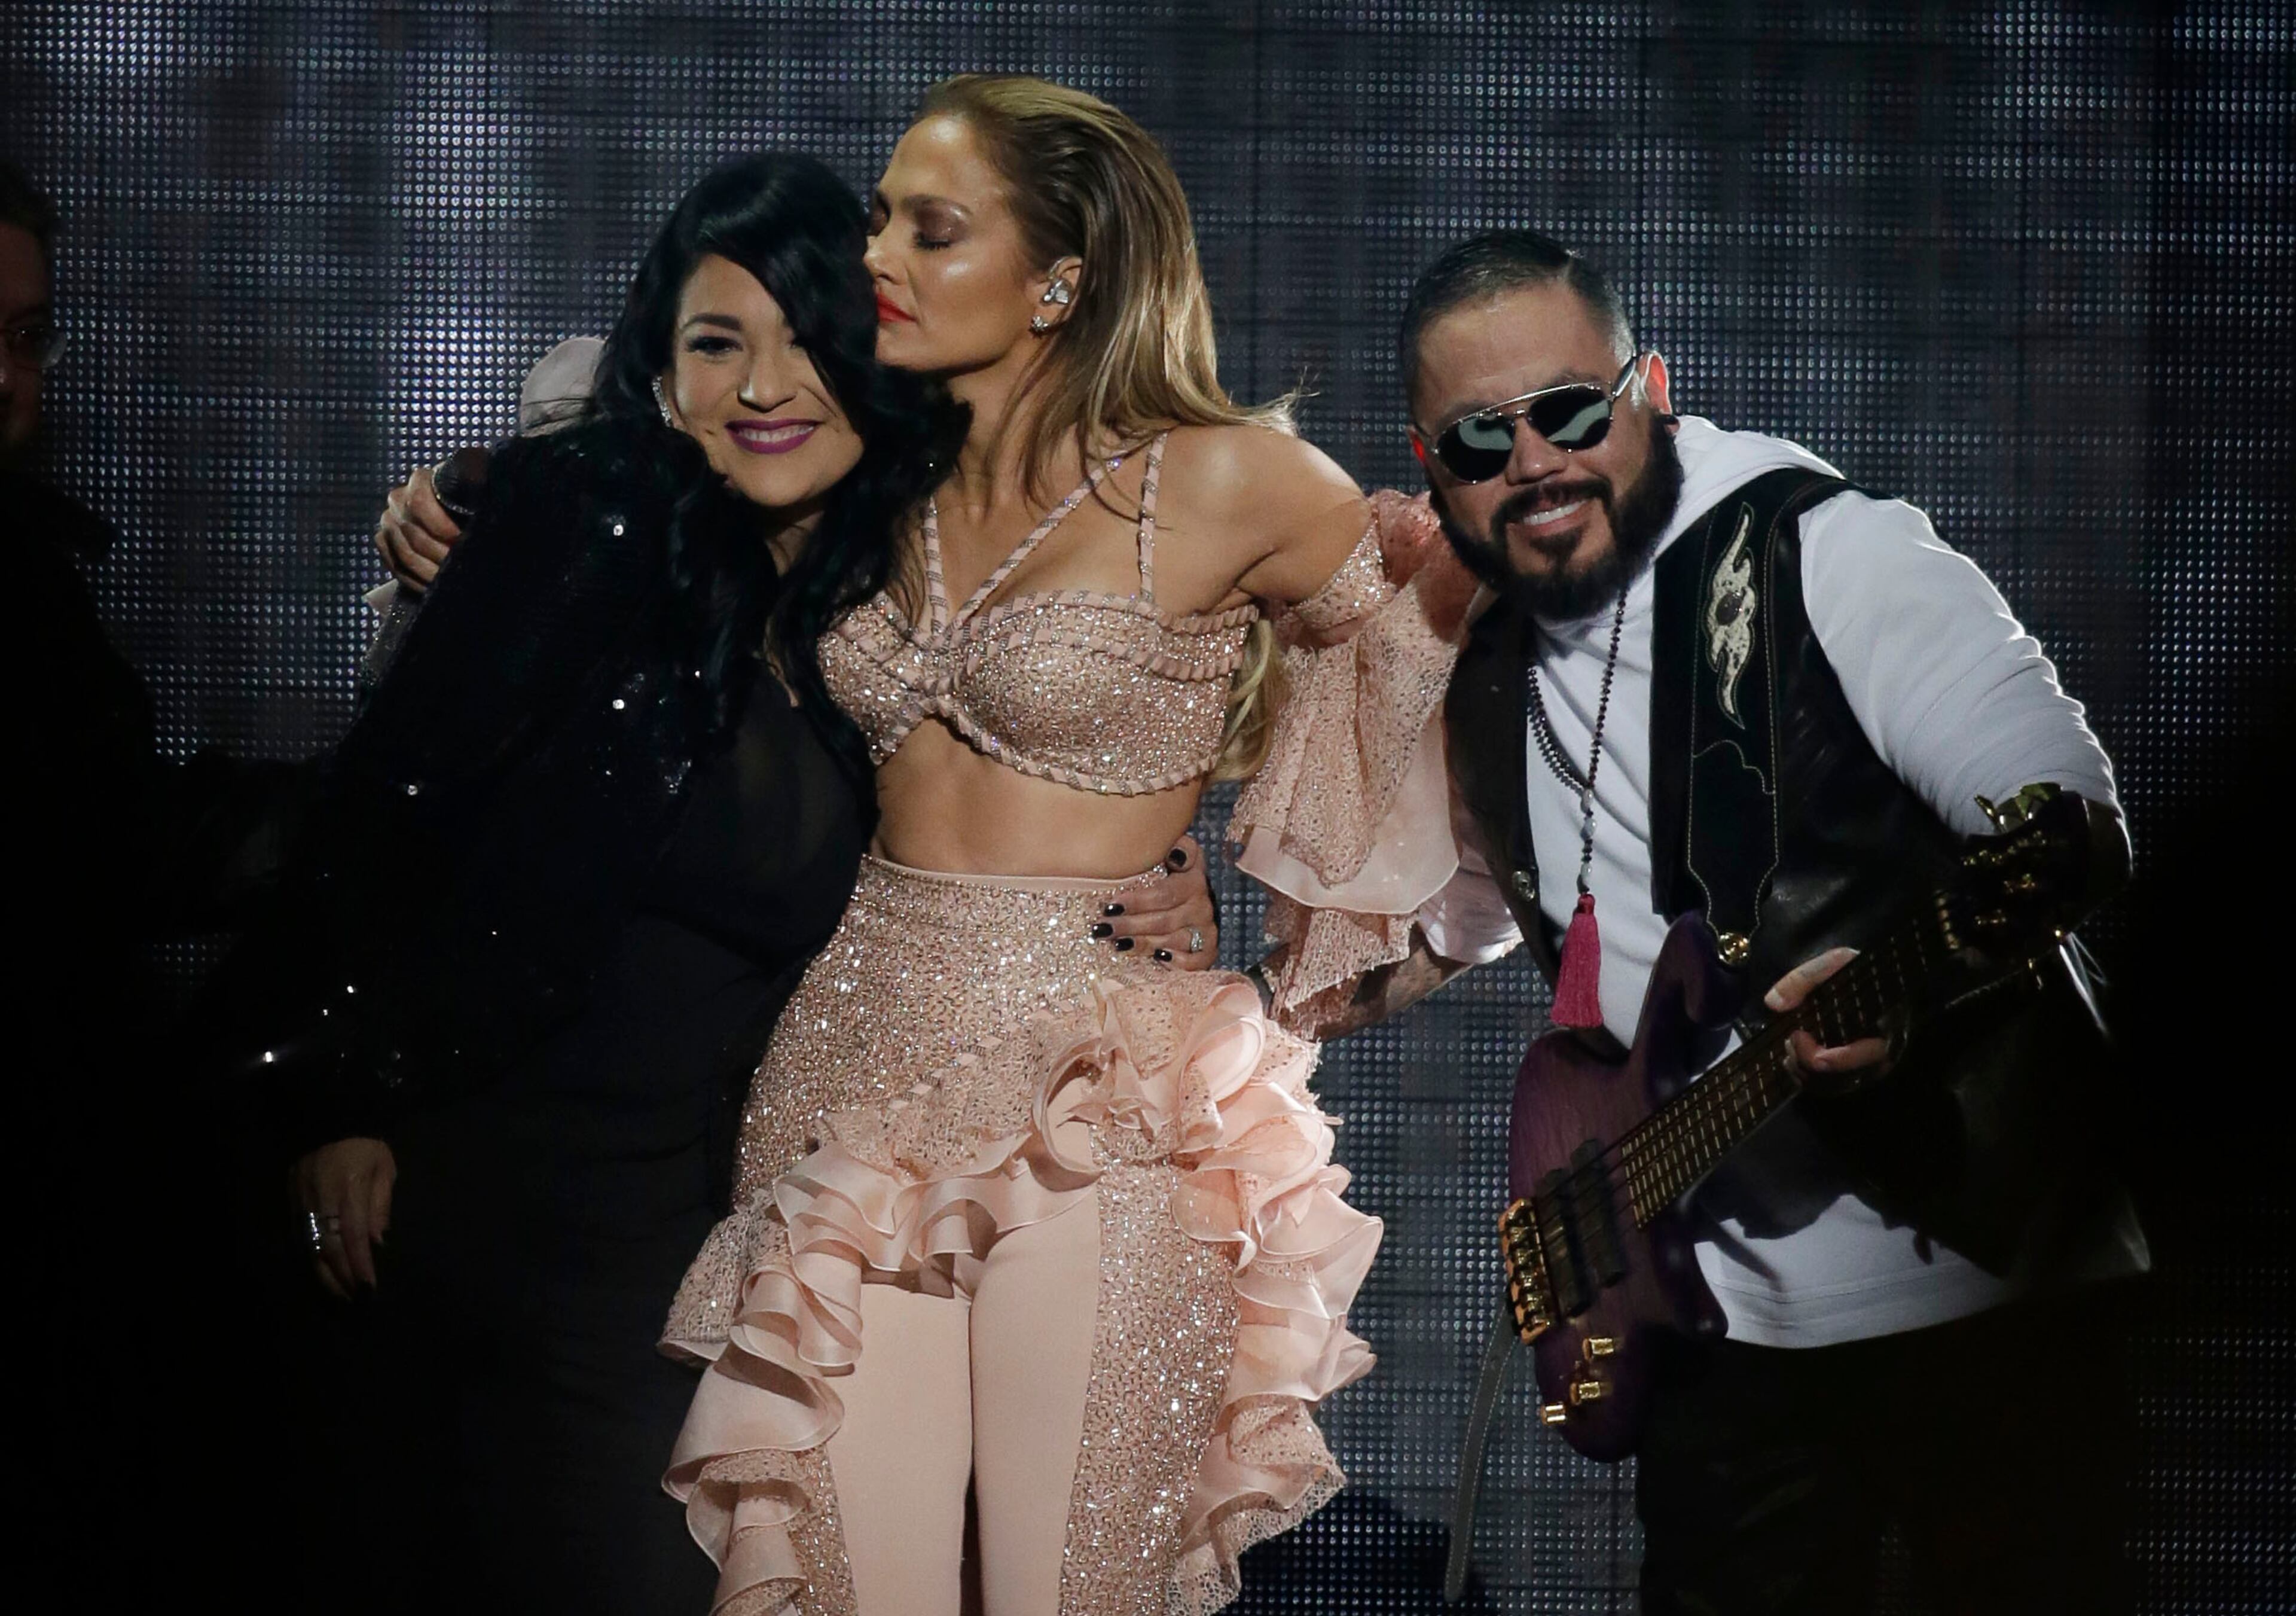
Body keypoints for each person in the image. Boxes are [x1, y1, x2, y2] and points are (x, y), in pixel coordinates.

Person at [210, 150, 1216, 1615]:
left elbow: (1048, 798)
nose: (765, 384)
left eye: (809, 336)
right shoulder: (594, 520)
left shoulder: (907, 601)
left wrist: (1166, 887)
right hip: (481, 1192)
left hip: (716, 1242)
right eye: (715, 343)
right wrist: (338, 1100)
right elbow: (387, 812)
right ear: (658, 370)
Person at [1237, 230, 2150, 1612]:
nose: (1535, 462)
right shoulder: (1478, 657)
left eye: (1570, 412)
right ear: (1431, 463)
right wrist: (1257, 986)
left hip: (1986, 1291)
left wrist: (1911, 987)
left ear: (1649, 387)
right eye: (1484, 438)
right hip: (1713, 1325)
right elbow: (1481, 910)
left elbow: (2070, 821)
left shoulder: (1825, 551)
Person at [649, 77, 1452, 1616]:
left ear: (1060, 276)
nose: (875, 252)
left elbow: (1421, 665)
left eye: (929, 228)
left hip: (1104, 1094)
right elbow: (646, 429)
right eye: (881, 216)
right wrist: (443, 504)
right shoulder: (862, 472)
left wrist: (1276, 894)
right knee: (843, 1588)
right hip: (852, 1082)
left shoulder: (1221, 478)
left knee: (1064, 1592)